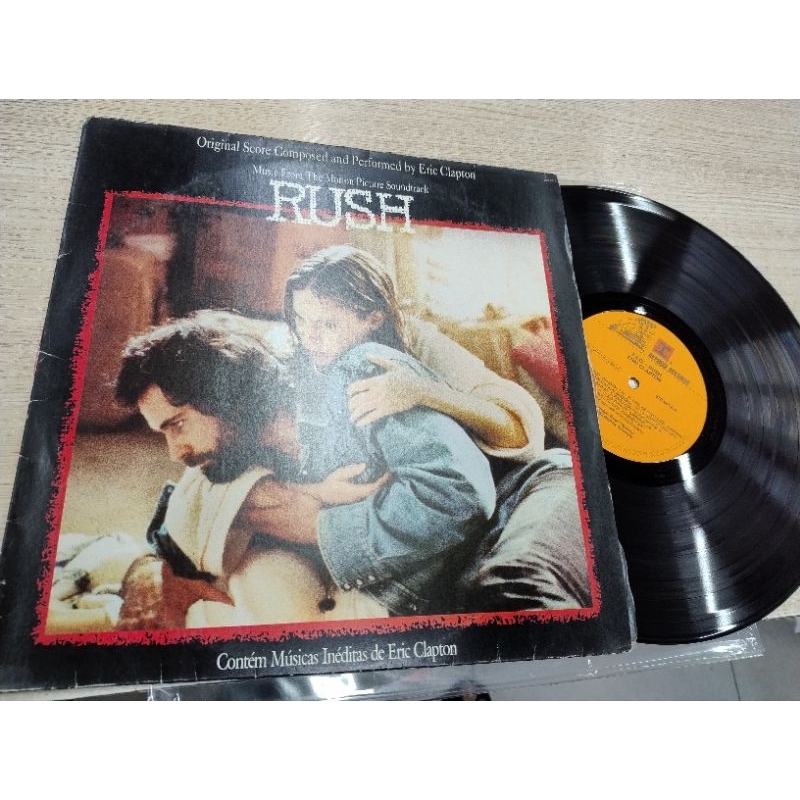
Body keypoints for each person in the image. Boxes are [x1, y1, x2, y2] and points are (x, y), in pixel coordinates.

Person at [114, 308, 496, 624]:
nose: (175, 452)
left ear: (218, 395)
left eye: (177, 425)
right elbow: (174, 528)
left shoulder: (352, 391)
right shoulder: (233, 452)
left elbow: (460, 497)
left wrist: (318, 524)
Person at [283, 245, 546, 466]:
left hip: (502, 481)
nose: (309, 338)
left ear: (374, 319)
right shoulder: (288, 359)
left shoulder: (415, 338)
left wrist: (422, 391)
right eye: (300, 319)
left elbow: (520, 435)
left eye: (328, 325)